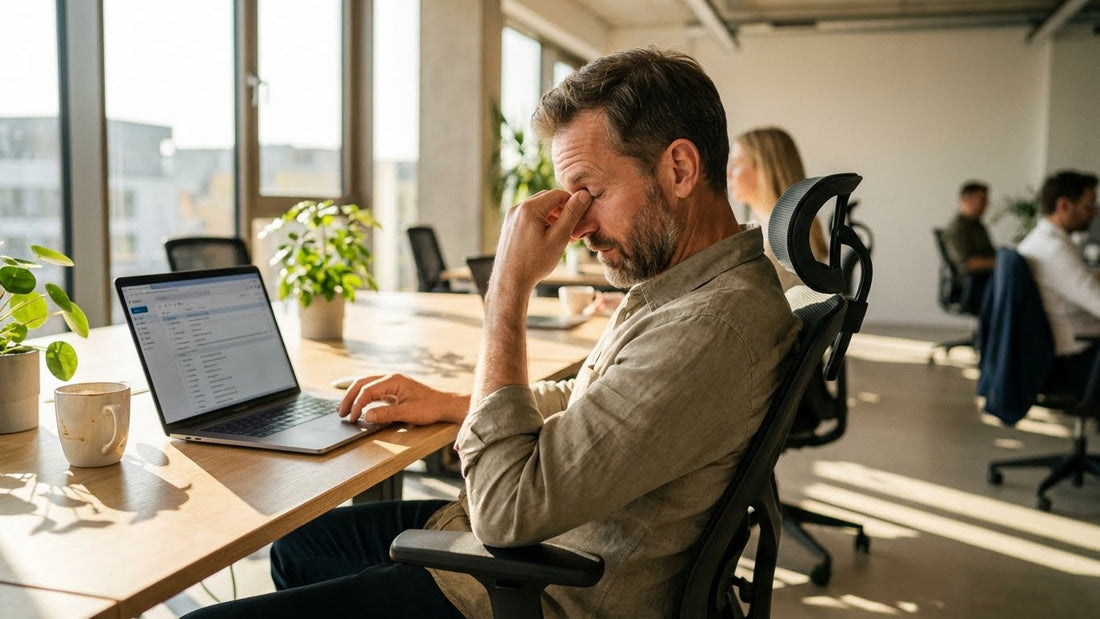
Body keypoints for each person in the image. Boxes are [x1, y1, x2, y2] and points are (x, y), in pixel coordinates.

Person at [184, 47, 800, 618]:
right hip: (545, 540)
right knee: (302, 548)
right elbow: (600, 407)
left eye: (590, 192)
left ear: (681, 168)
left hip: (542, 588)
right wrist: (455, 404)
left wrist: (506, 294)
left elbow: (507, 512)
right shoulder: (696, 286)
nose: (579, 224)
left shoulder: (708, 325)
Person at [1017, 170, 1100, 395]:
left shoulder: (1041, 240)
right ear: (1064, 205)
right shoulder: (1056, 250)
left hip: (1060, 350)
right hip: (1076, 359)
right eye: (1089, 205)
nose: (1094, 213)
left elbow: (1075, 282)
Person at [727, 126, 828, 290]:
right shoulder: (775, 230)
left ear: (764, 169)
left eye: (735, 164)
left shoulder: (776, 242)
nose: (728, 174)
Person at [943, 180, 996, 274]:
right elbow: (966, 264)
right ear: (966, 200)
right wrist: (1001, 262)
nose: (986, 204)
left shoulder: (976, 225)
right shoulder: (957, 228)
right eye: (982, 200)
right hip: (976, 281)